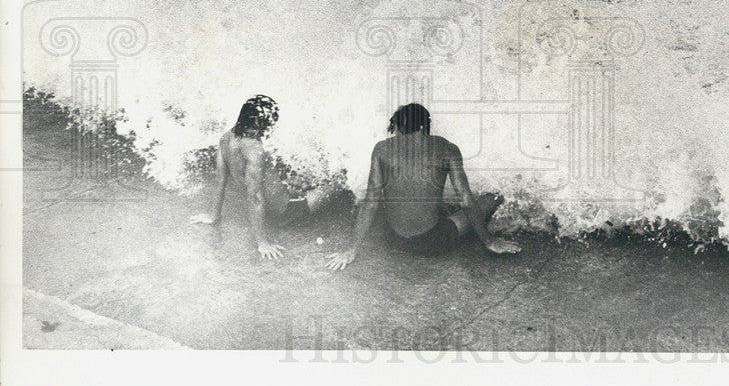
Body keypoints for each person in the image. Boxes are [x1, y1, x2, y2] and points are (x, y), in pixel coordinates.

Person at [326, 103, 519, 270]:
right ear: (425, 126)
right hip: (432, 242)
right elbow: (466, 200)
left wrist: (351, 250)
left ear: (399, 126)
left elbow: (370, 203)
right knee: (492, 197)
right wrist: (490, 241)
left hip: (393, 239)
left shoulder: (381, 149)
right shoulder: (447, 148)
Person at [190, 95, 335, 260]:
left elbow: (221, 180)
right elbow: (255, 197)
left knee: (300, 176)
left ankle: (298, 185)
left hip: (272, 202)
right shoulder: (255, 149)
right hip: (287, 209)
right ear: (258, 123)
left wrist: (213, 216)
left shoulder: (225, 137)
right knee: (338, 182)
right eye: (270, 123)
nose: (271, 128)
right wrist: (262, 243)